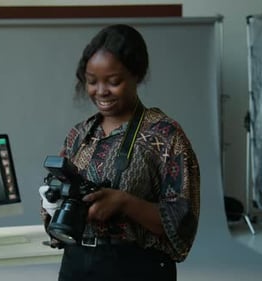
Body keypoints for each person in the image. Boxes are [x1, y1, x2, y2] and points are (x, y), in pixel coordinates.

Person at [39, 24, 200, 281]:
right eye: (92, 81)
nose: (101, 91)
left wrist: (125, 202)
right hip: (76, 263)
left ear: (137, 74)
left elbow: (183, 223)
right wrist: (52, 201)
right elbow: (56, 217)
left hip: (137, 268)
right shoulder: (78, 136)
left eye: (113, 81)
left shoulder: (165, 135)